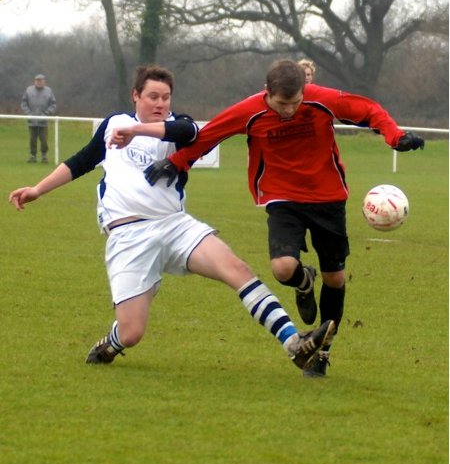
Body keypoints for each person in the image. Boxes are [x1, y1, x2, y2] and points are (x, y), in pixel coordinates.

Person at [9, 64, 335, 373]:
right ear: (135, 95)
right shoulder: (113, 124)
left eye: (166, 97)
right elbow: (80, 161)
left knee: (237, 270)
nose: (161, 103)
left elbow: (189, 131)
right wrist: (38, 189)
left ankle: (293, 343)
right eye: (153, 96)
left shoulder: (176, 127)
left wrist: (138, 130)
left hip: (175, 227)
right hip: (128, 237)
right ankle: (112, 342)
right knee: (132, 333)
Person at [144, 59, 425, 379]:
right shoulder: (249, 111)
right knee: (282, 268)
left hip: (328, 198)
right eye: (281, 104)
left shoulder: (320, 99)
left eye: (295, 103)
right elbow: (210, 135)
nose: (289, 110)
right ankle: (303, 281)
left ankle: (323, 352)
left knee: (335, 279)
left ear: (303, 92)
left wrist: (395, 137)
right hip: (282, 199)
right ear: (268, 93)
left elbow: (369, 110)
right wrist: (178, 162)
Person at [21, 74, 57, 163]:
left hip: (43, 121)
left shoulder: (49, 91)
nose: (39, 82)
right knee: (32, 139)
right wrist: (29, 114)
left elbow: (53, 104)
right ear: (34, 81)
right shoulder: (29, 90)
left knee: (44, 140)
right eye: (37, 80)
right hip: (31, 121)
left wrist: (46, 114)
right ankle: (33, 156)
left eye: (41, 80)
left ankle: (44, 156)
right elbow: (23, 103)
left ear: (44, 81)